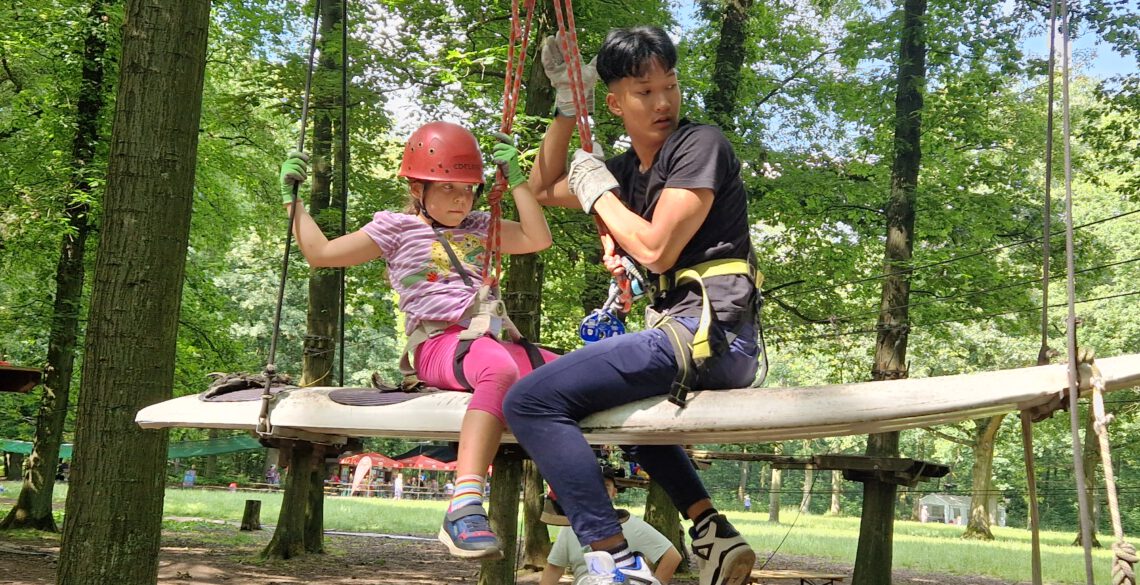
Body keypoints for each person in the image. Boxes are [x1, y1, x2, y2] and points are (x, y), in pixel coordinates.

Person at [504, 26, 761, 585]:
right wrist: (569, 110)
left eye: (669, 85)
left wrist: (598, 193)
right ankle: (711, 530)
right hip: (694, 336)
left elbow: (654, 248)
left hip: (711, 334)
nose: (663, 101)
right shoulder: (628, 170)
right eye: (644, 92)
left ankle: (613, 557)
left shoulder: (700, 145)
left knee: (528, 400)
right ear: (616, 101)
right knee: (633, 423)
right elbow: (542, 185)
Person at [279, 121, 556, 560]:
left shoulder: (484, 225)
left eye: (469, 189)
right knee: (499, 367)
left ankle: (566, 488)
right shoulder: (395, 229)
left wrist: (518, 181)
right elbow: (322, 254)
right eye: (449, 189)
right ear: (418, 186)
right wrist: (294, 204)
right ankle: (463, 506)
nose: (462, 199)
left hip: (489, 337)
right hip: (438, 344)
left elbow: (539, 238)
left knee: (567, 372)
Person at [541, 468, 682, 585]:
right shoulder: (569, 526)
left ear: (614, 492)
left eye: (605, 486)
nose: (599, 491)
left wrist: (658, 582)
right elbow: (554, 568)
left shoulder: (631, 524)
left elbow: (672, 556)